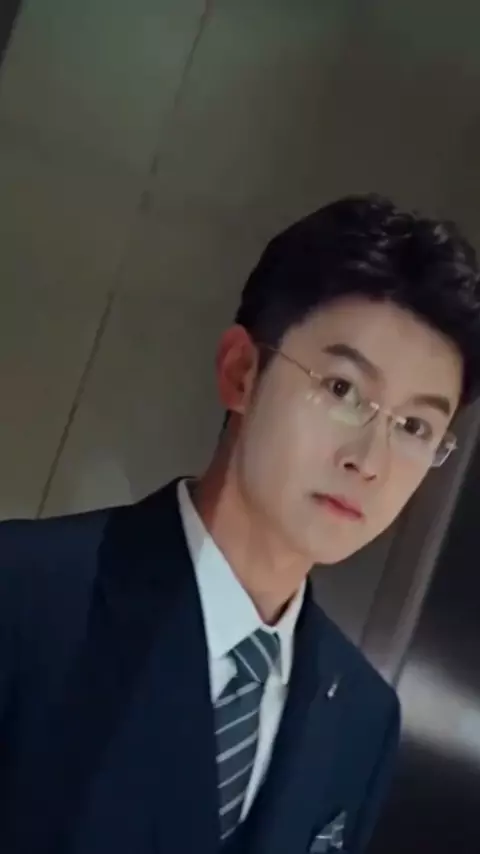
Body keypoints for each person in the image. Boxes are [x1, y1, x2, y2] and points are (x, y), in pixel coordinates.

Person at [1, 195, 480, 854]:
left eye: (416, 427)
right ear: (241, 373)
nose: (369, 461)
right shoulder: (25, 596)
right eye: (342, 390)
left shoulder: (363, 719)